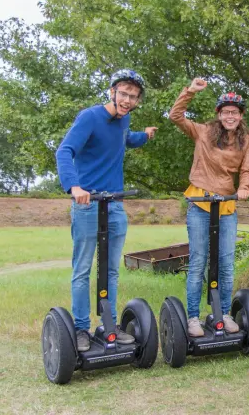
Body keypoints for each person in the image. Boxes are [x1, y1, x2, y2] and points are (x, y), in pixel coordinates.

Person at [55, 69, 158, 352]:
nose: (127, 100)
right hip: (88, 205)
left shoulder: (124, 120)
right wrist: (74, 187)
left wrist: (144, 136)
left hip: (114, 204)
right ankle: (80, 329)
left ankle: (107, 325)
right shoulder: (89, 117)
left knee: (111, 270)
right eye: (123, 93)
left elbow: (123, 138)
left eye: (133, 97)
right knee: (83, 269)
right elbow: (64, 151)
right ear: (112, 92)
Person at [169, 77, 249, 337]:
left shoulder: (245, 140)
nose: (230, 116)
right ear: (219, 114)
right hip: (199, 202)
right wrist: (190, 92)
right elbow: (175, 116)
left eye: (235, 113)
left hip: (227, 205)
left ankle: (224, 313)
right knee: (198, 261)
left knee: (227, 263)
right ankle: (193, 317)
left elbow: (247, 170)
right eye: (226, 112)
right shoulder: (203, 131)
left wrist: (244, 188)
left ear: (241, 116)